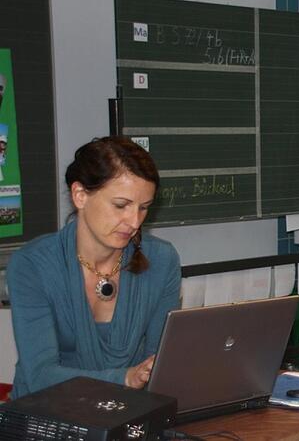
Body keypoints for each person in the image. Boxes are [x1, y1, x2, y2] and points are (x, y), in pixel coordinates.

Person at [7, 136, 181, 398]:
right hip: (46, 415)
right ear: (80, 195)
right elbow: (40, 376)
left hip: (126, 411)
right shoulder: (32, 265)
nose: (134, 221)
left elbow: (158, 362)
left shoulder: (162, 260)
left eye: (144, 208)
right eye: (121, 205)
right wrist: (125, 378)